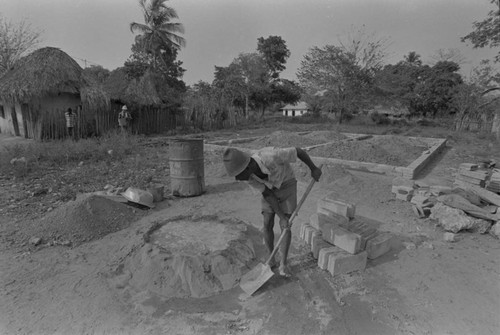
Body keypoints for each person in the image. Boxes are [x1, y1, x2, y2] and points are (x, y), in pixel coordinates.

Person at [223, 146, 322, 277]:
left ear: (247, 167)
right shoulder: (249, 178)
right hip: (269, 189)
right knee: (267, 223)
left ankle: (284, 264)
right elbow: (268, 194)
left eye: (238, 175)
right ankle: (271, 259)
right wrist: (280, 215)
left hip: (287, 183)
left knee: (285, 225)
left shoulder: (272, 155)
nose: (237, 179)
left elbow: (298, 151)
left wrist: (313, 168)